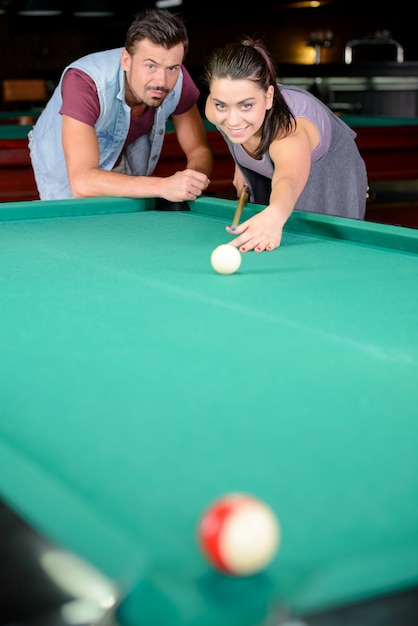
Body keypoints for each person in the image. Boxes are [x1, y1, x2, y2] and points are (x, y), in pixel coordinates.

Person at [29, 8, 213, 202]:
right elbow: (82, 182)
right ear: (126, 60)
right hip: (67, 165)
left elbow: (199, 150)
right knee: (74, 226)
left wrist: (192, 180)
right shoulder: (85, 82)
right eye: (151, 66)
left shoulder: (179, 80)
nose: (162, 80)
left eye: (172, 68)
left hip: (122, 155)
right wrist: (164, 185)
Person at [203, 38, 368, 253]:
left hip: (333, 173)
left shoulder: (289, 131)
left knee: (326, 251)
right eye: (222, 105)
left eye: (246, 105)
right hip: (285, 169)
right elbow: (231, 128)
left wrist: (277, 212)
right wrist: (240, 161)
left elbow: (288, 178)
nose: (232, 120)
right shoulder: (212, 109)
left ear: (269, 97)